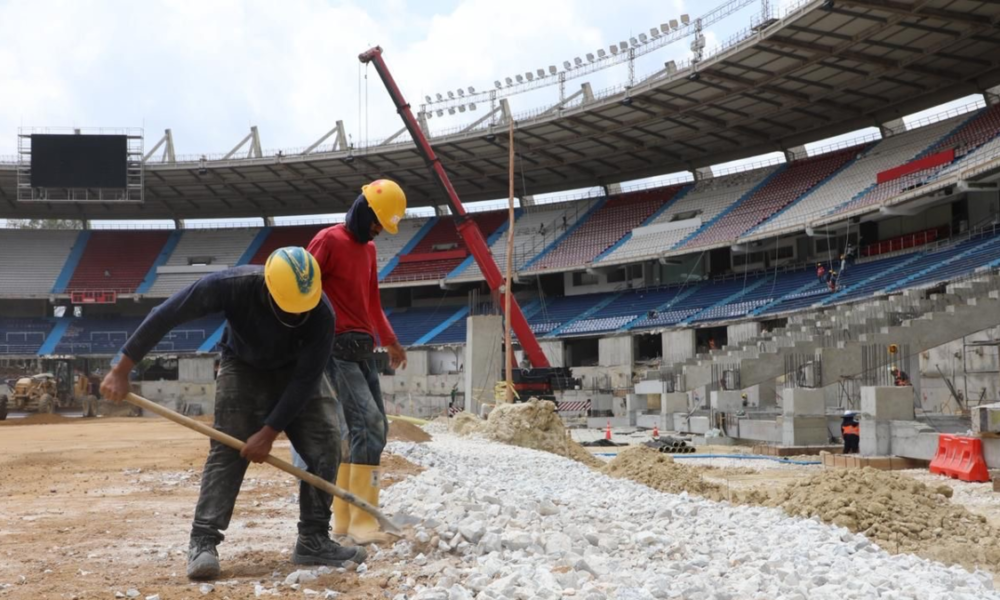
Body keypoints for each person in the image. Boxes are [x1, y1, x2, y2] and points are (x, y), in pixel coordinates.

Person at [99, 247, 366, 580]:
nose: (297, 316)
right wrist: (122, 368)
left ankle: (313, 539)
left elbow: (306, 379)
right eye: (289, 309)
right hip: (243, 366)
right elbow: (167, 313)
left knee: (326, 445)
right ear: (269, 288)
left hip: (296, 372)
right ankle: (203, 542)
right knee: (227, 451)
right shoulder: (233, 285)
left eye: (303, 310)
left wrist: (269, 432)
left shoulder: (322, 313)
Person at [304, 180, 407, 545]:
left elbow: (373, 302)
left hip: (363, 349)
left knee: (368, 431)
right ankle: (363, 521)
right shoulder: (328, 241)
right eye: (378, 221)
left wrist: (391, 341)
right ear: (363, 209)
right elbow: (303, 287)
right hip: (335, 348)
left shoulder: (369, 251)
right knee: (369, 425)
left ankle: (346, 520)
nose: (379, 229)